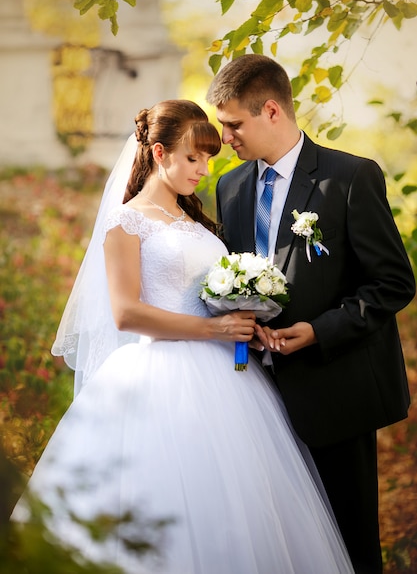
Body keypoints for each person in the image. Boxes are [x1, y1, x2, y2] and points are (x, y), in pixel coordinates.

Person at [12, 99, 355, 574]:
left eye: (209, 158)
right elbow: (127, 313)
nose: (204, 169)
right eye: (193, 157)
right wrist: (212, 328)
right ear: (159, 152)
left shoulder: (194, 220)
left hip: (228, 377)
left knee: (240, 505)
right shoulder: (125, 222)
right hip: (160, 376)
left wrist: (245, 318)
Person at [206, 55, 416, 574]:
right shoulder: (230, 189)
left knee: (350, 542)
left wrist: (318, 332)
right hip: (254, 399)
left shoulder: (349, 177)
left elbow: (393, 282)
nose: (225, 136)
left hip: (335, 389)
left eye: (233, 123)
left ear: (271, 110)